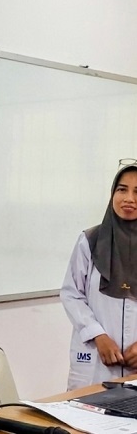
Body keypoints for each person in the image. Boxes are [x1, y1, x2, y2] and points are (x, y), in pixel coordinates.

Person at [61, 160, 137, 390]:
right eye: (122, 189)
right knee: (85, 410)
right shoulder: (90, 241)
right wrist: (98, 335)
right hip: (95, 361)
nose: (129, 198)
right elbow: (72, 294)